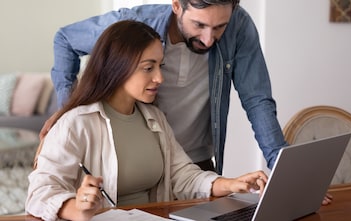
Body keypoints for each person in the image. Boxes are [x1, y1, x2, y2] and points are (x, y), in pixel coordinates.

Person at [26, 20, 268, 221]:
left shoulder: (154, 118)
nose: (160, 78)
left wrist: (232, 184)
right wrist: (77, 208)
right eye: (148, 68)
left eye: (160, 66)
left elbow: (182, 176)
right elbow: (39, 192)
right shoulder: (75, 124)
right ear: (117, 67)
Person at [44, 0, 287, 174]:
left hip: (195, 167)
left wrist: (281, 167)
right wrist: (68, 112)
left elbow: (257, 99)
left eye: (219, 27)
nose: (208, 39)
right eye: (199, 25)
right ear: (177, 6)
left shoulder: (239, 26)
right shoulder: (136, 24)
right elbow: (66, 39)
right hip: (134, 168)